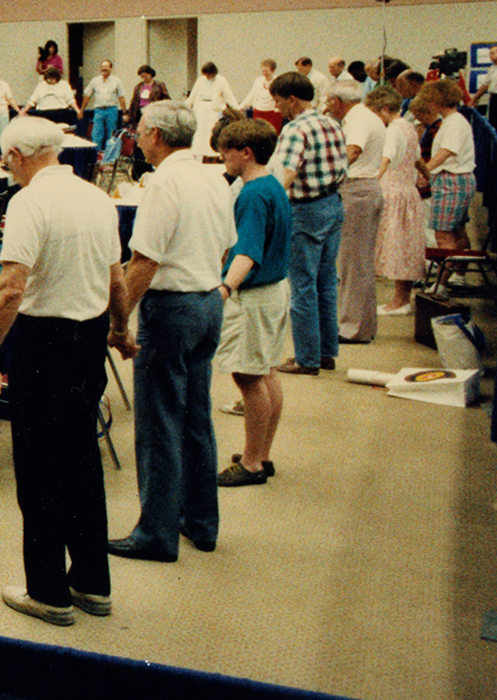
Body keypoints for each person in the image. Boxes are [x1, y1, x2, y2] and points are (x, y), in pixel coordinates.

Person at [0, 117, 128, 626]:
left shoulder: (28, 202)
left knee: (39, 470)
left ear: (18, 154)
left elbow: (11, 288)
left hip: (46, 343)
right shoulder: (95, 198)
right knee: (82, 460)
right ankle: (91, 581)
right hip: (89, 338)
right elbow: (116, 278)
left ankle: (48, 592)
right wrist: (121, 329)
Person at [106, 101, 233, 564]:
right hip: (206, 302)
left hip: (172, 308)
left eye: (140, 131)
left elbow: (144, 263)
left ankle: (156, 533)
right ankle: (201, 521)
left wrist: (118, 324)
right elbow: (225, 247)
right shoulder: (213, 176)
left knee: (159, 422)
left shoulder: (163, 182)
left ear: (157, 135)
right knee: (196, 418)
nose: (136, 138)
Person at [212, 115, 293, 487]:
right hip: (276, 290)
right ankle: (262, 452)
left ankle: (250, 463)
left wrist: (225, 288)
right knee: (267, 371)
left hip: (255, 296)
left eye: (226, 152)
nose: (222, 159)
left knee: (247, 377)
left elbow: (248, 252)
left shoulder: (251, 194)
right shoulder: (273, 185)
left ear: (245, 152)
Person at [267, 72, 349, 376]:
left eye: (277, 101)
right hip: (333, 205)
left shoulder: (295, 129)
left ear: (291, 99)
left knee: (301, 285)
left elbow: (285, 176)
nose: (275, 108)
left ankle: (306, 358)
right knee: (326, 283)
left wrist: (269, 209)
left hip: (306, 210)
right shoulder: (332, 123)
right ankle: (326, 353)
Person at [326, 80, 386, 344]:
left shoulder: (358, 120)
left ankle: (350, 327)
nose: (327, 108)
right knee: (358, 263)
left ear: (338, 101)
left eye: (329, 102)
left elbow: (353, 151)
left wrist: (329, 176)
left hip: (358, 190)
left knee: (353, 262)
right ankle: (363, 325)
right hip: (364, 189)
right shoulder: (365, 116)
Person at [371, 86, 429, 318]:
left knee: (397, 247)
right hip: (407, 193)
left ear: (384, 109)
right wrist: (427, 175)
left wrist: (372, 180)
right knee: (404, 247)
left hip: (394, 193)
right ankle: (401, 298)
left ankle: (399, 301)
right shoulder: (409, 127)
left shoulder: (393, 131)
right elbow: (417, 158)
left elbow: (385, 160)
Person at [412, 82, 478, 252]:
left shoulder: (453, 123)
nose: (427, 104)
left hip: (452, 181)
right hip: (454, 180)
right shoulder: (451, 121)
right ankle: (457, 275)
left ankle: (446, 277)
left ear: (437, 101)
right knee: (457, 232)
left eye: (429, 101)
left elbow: (445, 152)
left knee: (443, 234)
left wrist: (425, 172)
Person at [188, 62, 242, 158]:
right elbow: (192, 96)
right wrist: (185, 107)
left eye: (209, 74)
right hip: (201, 108)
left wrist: (237, 108)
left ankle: (212, 154)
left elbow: (228, 96)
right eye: (205, 74)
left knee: (211, 131)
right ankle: (198, 154)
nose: (207, 76)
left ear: (213, 73)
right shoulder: (200, 80)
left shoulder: (221, 80)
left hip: (213, 110)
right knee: (200, 132)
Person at [83, 61, 128, 157]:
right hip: (98, 110)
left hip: (112, 110)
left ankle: (109, 157)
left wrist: (125, 112)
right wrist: (81, 109)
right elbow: (87, 95)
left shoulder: (117, 81)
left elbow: (121, 97)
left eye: (106, 66)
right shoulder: (95, 81)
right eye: (102, 66)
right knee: (96, 134)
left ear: (111, 68)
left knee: (111, 134)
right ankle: (95, 156)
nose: (104, 68)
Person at [244, 59, 284, 131]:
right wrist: (240, 107)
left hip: (273, 113)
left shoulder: (278, 81)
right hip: (258, 112)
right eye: (263, 71)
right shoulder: (258, 80)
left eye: (267, 71)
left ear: (273, 70)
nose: (265, 73)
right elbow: (251, 95)